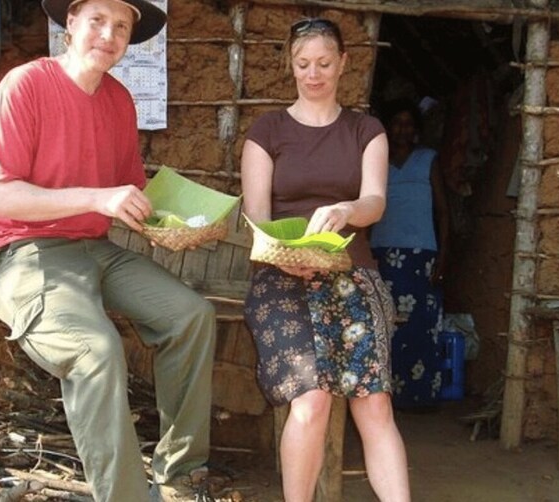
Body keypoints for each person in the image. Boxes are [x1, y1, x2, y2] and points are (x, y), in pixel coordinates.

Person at [0, 0, 216, 500]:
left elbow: (131, 194)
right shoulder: (26, 85)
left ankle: (180, 477)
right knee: (95, 350)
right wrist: (97, 198)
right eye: (98, 20)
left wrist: (185, 224)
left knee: (192, 316)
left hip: (93, 248)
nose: (109, 34)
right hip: (17, 250)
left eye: (121, 26)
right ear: (71, 23)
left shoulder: (119, 101)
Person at [240, 17, 411, 502]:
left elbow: (375, 201)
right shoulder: (266, 131)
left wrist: (346, 209)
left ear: (343, 64)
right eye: (302, 64)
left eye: (323, 63)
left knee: (373, 402)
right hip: (281, 276)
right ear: (290, 65)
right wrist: (288, 257)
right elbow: (256, 216)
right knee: (312, 398)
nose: (312, 74)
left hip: (351, 271)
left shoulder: (366, 130)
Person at [369, 98, 451, 410]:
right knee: (386, 326)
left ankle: (420, 399)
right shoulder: (377, 161)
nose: (402, 129)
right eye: (397, 123)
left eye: (408, 123)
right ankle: (385, 400)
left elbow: (443, 212)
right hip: (382, 253)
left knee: (421, 328)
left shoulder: (428, 159)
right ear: (388, 128)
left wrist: (443, 256)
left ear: (416, 130)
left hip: (422, 255)